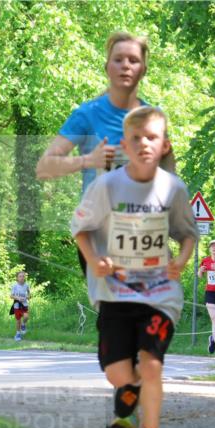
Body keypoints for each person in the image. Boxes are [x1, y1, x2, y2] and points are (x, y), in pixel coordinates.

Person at [71, 106, 197, 428]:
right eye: (136, 138)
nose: (144, 144)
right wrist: (95, 260)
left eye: (152, 137)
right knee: (118, 374)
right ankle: (130, 392)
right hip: (115, 292)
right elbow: (80, 228)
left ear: (164, 145)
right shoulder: (106, 186)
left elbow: (187, 233)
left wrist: (181, 261)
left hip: (159, 294)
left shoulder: (173, 188)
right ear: (125, 145)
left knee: (151, 364)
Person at [37, 33, 175, 275]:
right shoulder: (87, 115)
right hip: (101, 233)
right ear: (107, 67)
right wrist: (88, 160)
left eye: (133, 60)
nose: (126, 66)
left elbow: (169, 177)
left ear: (143, 69)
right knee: (119, 299)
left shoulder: (154, 118)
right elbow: (44, 167)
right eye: (118, 59)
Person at [10, 271, 32, 341]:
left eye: (23, 276)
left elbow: (29, 294)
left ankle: (23, 325)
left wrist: (28, 297)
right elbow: (11, 296)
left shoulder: (26, 285)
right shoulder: (14, 286)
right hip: (17, 305)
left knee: (26, 317)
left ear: (25, 277)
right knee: (18, 320)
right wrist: (18, 298)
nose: (22, 278)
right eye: (20, 276)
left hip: (24, 305)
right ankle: (17, 334)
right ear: (17, 278)